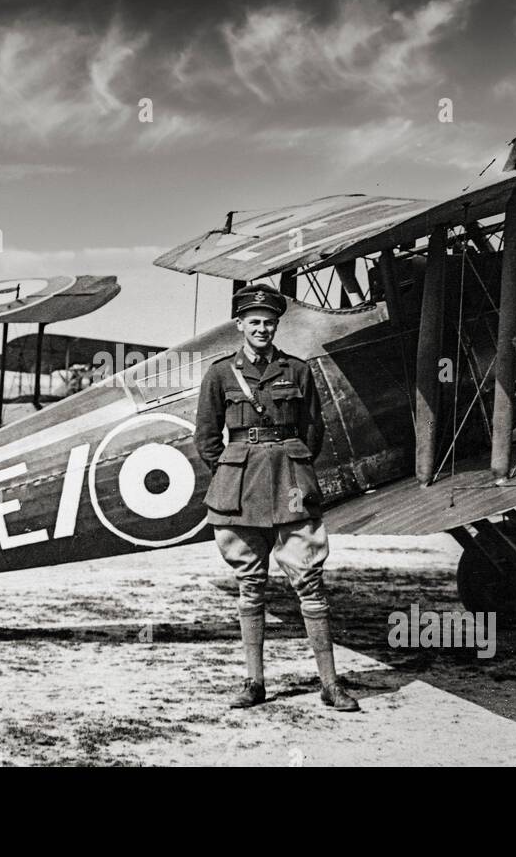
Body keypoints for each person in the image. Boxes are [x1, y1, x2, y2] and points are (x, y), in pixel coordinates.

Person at [193, 283, 359, 712]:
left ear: (275, 325)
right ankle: (254, 683)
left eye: (269, 322)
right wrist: (234, 473)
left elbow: (313, 430)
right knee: (250, 587)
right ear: (240, 325)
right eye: (254, 322)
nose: (262, 329)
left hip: (291, 486)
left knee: (310, 582)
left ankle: (330, 684)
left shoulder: (298, 370)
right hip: (240, 491)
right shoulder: (219, 374)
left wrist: (295, 467)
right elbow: (207, 438)